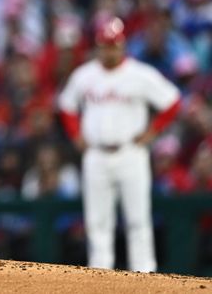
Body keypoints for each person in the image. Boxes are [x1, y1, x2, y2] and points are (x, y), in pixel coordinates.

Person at [59, 16, 181, 272]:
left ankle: (144, 274)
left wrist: (151, 132)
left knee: (138, 219)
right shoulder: (85, 75)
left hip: (130, 153)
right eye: (105, 45)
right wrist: (75, 135)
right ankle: (100, 275)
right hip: (96, 154)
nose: (109, 49)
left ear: (122, 44)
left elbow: (172, 101)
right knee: (97, 221)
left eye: (113, 44)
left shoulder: (139, 74)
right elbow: (66, 105)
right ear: (98, 46)